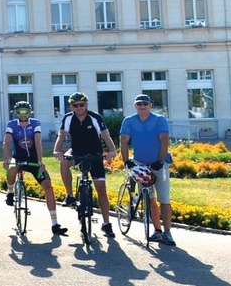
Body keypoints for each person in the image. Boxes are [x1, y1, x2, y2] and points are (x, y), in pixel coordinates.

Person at [53, 91, 118, 238]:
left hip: (95, 154)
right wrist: (57, 150)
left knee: (101, 190)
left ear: (86, 105)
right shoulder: (68, 118)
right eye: (75, 105)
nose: (79, 108)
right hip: (76, 152)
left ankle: (106, 224)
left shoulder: (95, 117)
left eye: (81, 105)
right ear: (71, 106)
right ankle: (70, 195)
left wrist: (112, 151)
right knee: (64, 162)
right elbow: (62, 135)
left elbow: (105, 136)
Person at [2, 101, 67, 236]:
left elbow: (38, 143)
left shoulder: (35, 123)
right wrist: (7, 159)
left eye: (26, 112)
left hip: (33, 159)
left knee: (48, 186)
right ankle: (10, 192)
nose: (23, 114)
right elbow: (6, 142)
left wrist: (40, 162)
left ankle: (55, 224)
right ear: (16, 113)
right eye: (20, 112)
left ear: (30, 112)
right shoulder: (12, 124)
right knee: (12, 168)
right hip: (18, 158)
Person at [120, 94, 175, 245]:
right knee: (149, 199)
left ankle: (167, 232)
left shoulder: (159, 120)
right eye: (139, 104)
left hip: (158, 163)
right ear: (135, 106)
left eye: (145, 103)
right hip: (140, 165)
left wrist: (160, 160)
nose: (142, 106)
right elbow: (123, 141)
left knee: (164, 198)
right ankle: (157, 230)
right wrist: (127, 161)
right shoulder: (129, 121)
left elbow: (164, 140)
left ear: (150, 105)